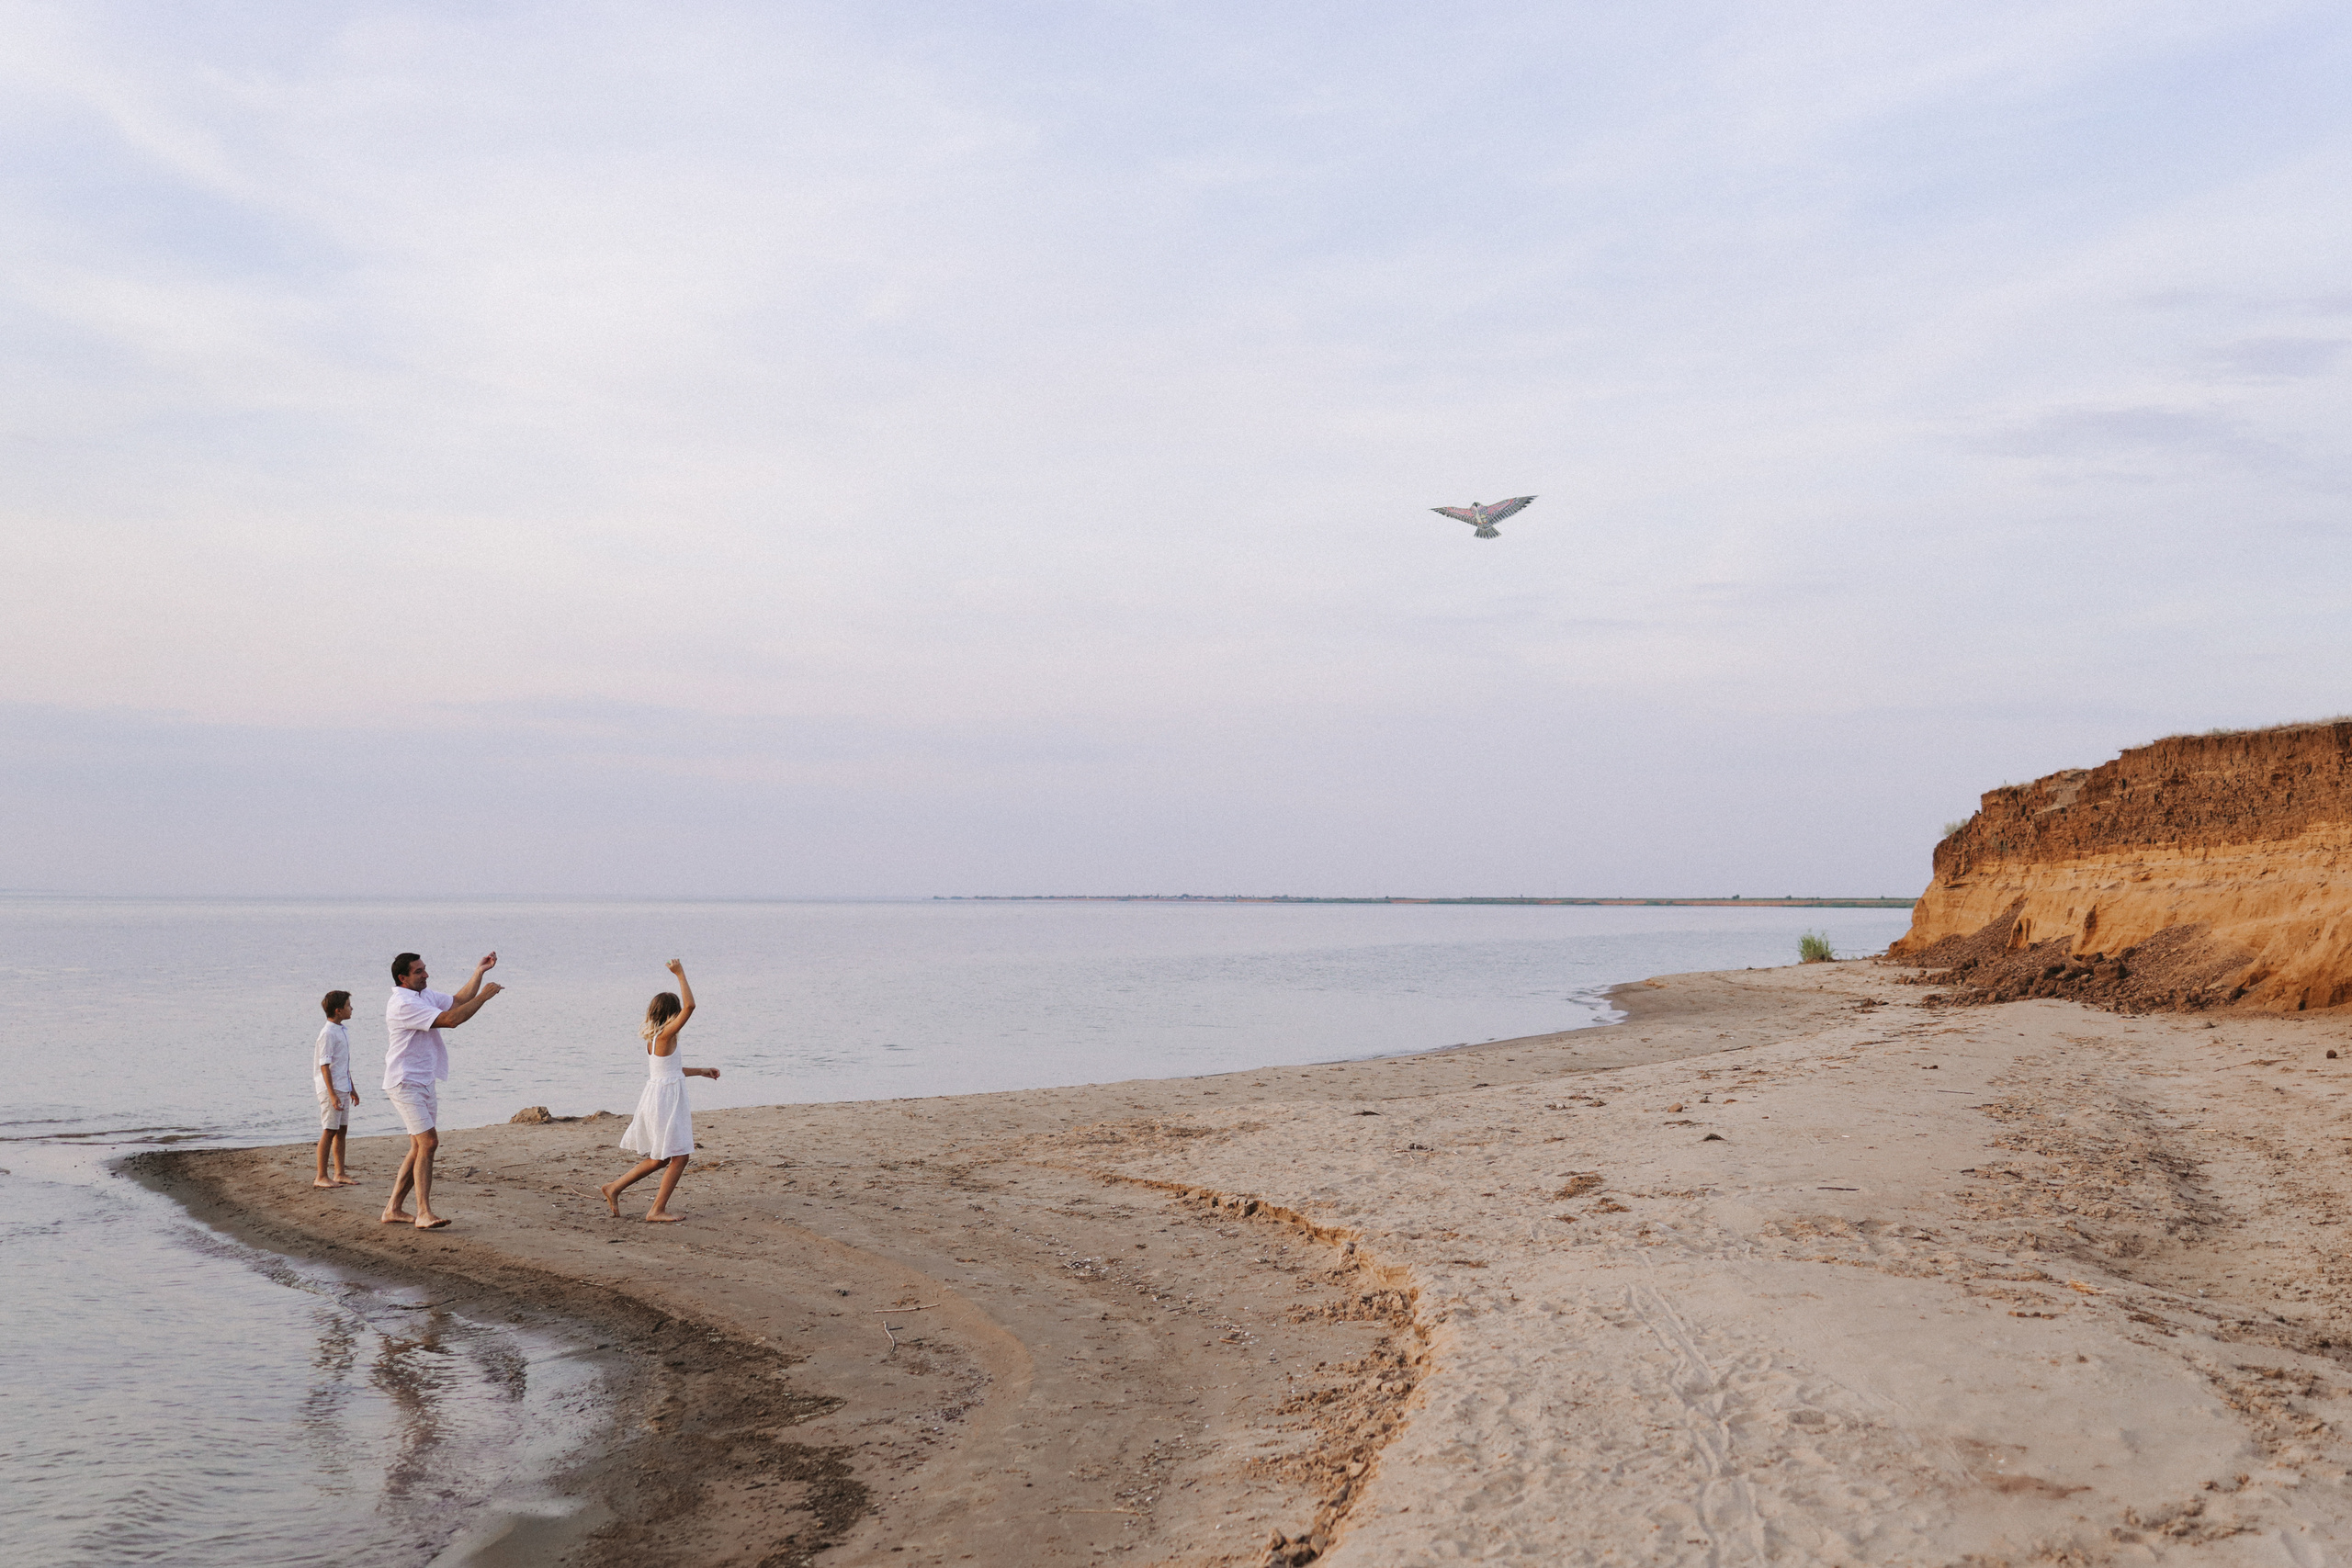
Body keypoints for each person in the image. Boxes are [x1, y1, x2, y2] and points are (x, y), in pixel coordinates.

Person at [381, 950, 504, 1230]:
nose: (425, 974)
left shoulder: (422, 995)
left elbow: (458, 1001)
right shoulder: (402, 1003)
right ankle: (423, 1212)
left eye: (425, 969)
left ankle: (393, 1209)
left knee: (418, 1146)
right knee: (429, 1143)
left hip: (425, 1080)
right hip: (404, 1081)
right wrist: (484, 997)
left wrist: (479, 972)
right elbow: (451, 1020)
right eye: (418, 971)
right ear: (403, 978)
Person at [599, 960, 719, 1224]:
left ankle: (614, 1187)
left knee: (661, 1158)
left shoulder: (655, 1040)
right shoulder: (665, 1035)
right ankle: (656, 1210)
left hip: (659, 1098)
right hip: (666, 1102)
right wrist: (680, 974)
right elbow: (691, 1006)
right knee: (680, 1156)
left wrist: (701, 1071)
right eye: (677, 1014)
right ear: (672, 1014)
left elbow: (671, 1070)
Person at [313, 990, 359, 1188]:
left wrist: (352, 1088)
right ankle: (321, 1176)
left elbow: (343, 1064)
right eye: (349, 1005)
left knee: (342, 1130)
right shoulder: (327, 1033)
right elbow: (325, 1065)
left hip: (342, 1086)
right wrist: (332, 1094)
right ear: (338, 1010)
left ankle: (339, 1172)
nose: (352, 1008)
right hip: (330, 1088)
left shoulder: (342, 1030)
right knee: (329, 1130)